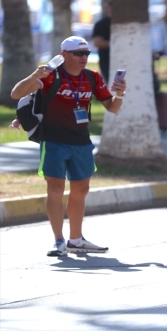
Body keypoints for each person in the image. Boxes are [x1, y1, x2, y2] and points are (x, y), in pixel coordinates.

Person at [10, 36, 127, 257]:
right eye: (78, 53)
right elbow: (16, 93)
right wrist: (35, 75)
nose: (83, 57)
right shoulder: (50, 76)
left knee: (80, 190)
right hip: (53, 140)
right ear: (63, 55)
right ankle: (58, 241)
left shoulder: (92, 77)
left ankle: (76, 240)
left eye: (86, 54)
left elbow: (112, 108)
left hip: (81, 142)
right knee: (55, 189)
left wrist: (119, 93)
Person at [92, 2, 111, 81]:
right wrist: (118, 44)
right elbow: (97, 42)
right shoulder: (102, 24)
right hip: (107, 61)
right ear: (109, 8)